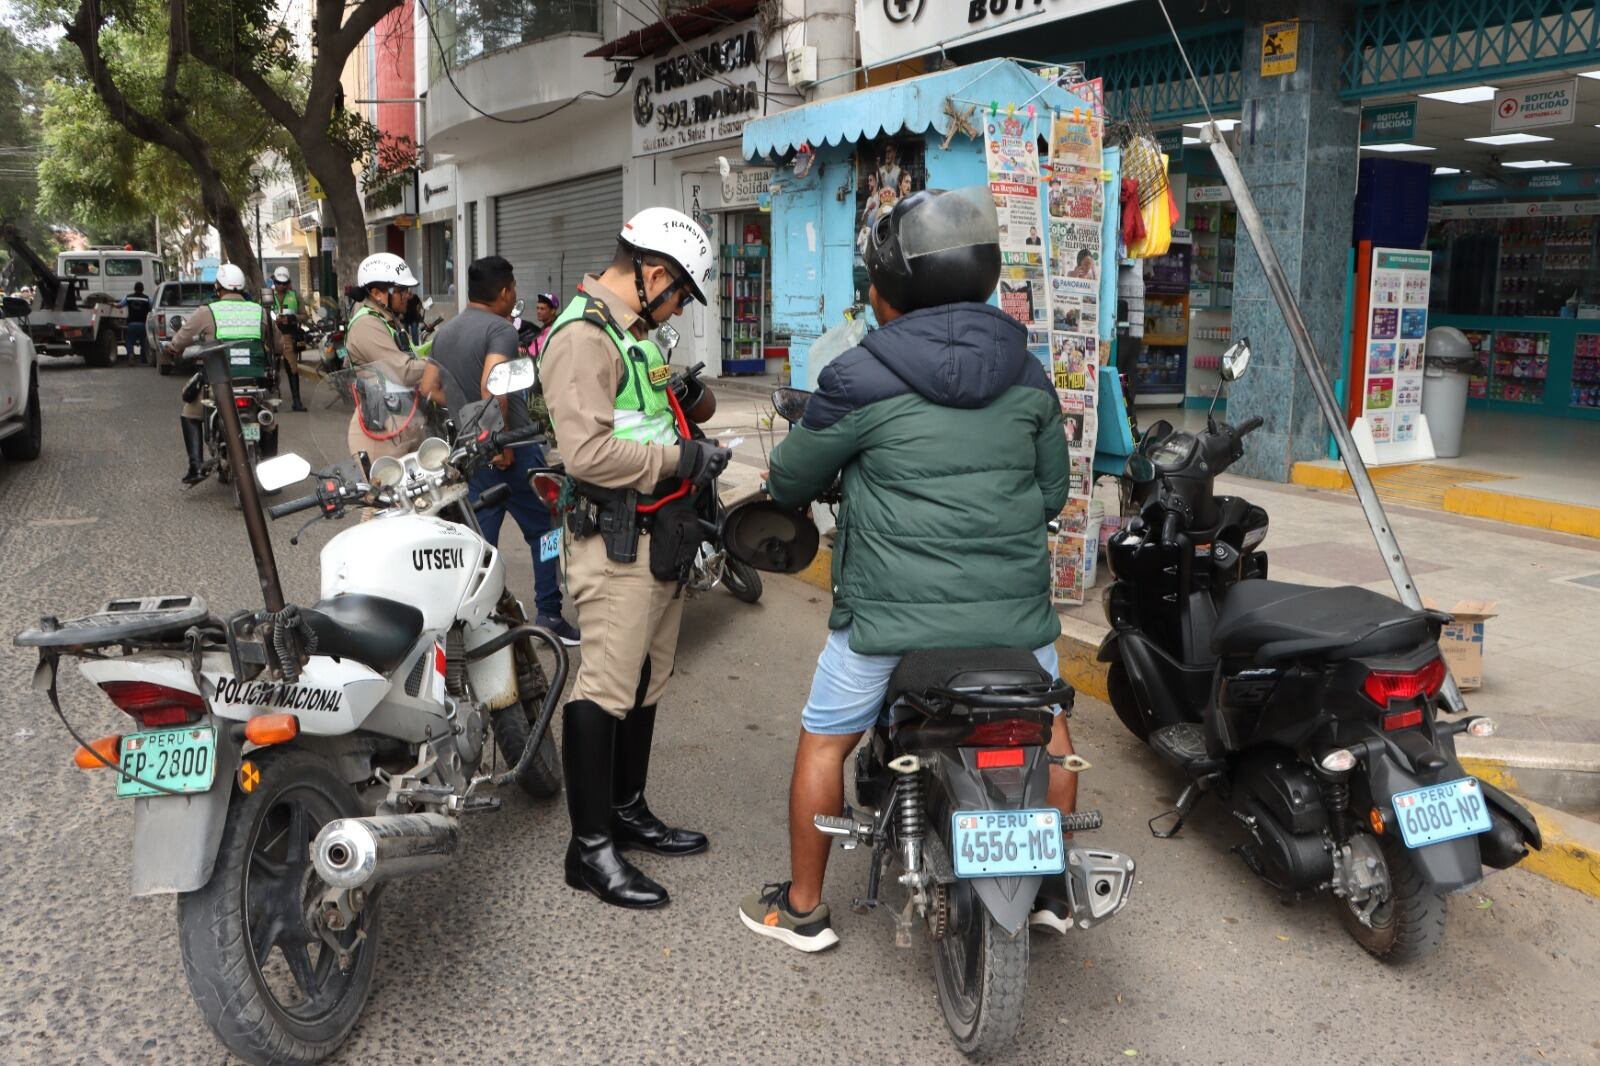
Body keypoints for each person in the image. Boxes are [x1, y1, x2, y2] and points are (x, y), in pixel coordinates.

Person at [738, 186, 1079, 951]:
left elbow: (790, 483)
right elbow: (1053, 493)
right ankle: (1050, 890)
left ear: (887, 295)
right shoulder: (1028, 377)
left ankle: (802, 909)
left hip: (888, 623)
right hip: (1014, 622)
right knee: (1052, 736)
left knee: (826, 742)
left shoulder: (858, 378)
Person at [538, 207, 725, 910]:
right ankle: (588, 851)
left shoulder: (632, 334)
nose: (678, 305)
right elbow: (586, 453)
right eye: (678, 291)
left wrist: (687, 402)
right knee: (604, 691)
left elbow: (647, 414)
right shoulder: (583, 337)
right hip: (615, 543)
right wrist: (684, 457)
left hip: (661, 537)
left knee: (646, 680)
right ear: (651, 272)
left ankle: (626, 810)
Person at [430, 257, 576, 645]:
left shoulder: (445, 332)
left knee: (480, 544)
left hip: (469, 455)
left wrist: (468, 427)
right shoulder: (501, 330)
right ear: (506, 291)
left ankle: (472, 620)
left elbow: (432, 387)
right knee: (546, 530)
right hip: (511, 451)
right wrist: (498, 444)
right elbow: (492, 385)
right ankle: (549, 614)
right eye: (513, 287)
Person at [164, 264, 280, 485]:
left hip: (220, 385)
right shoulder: (259, 311)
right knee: (269, 420)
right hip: (254, 384)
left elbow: (179, 340)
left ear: (218, 287)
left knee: (190, 412)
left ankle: (196, 466)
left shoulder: (207, 311)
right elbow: (278, 345)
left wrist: (173, 350)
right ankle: (271, 472)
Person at [344, 252, 446, 462]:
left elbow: (411, 358)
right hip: (383, 431)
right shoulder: (367, 324)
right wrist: (439, 363)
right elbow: (403, 371)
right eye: (401, 290)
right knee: (390, 493)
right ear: (377, 293)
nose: (408, 295)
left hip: (406, 420)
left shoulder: (388, 320)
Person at [268, 266, 307, 411]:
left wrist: (292, 318)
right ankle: (273, 402)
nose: (281, 286)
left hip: (288, 336)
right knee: (272, 369)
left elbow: (304, 315)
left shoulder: (295, 296)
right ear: (274, 281)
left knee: (292, 367)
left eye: (284, 283)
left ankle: (296, 401)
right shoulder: (267, 296)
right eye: (279, 283)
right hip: (271, 336)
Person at [118, 281, 152, 365]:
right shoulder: (147, 299)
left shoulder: (128, 297)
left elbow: (120, 305)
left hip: (131, 324)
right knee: (143, 341)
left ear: (134, 289)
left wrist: (112, 304)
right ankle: (143, 359)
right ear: (143, 289)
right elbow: (153, 307)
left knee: (129, 340)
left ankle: (130, 355)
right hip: (143, 324)